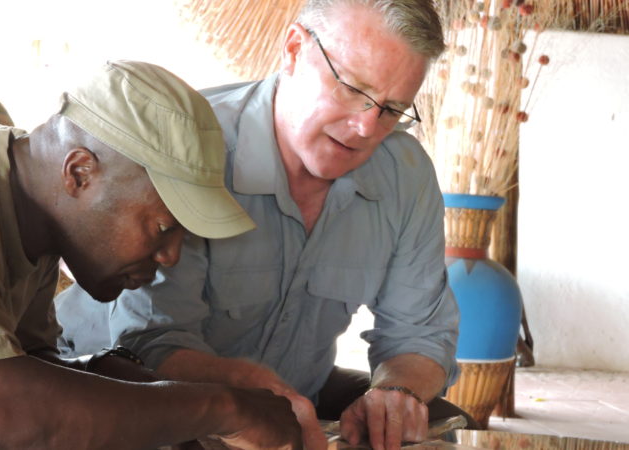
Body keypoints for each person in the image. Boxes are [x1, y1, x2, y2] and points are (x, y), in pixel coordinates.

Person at [58, 1, 480, 448]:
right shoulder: (195, 147)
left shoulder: (404, 174)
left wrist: (396, 392)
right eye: (354, 89)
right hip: (121, 389)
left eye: (392, 110)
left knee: (433, 422)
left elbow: (421, 334)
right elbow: (153, 342)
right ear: (295, 50)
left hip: (289, 394)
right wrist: (256, 396)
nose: (365, 128)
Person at [0, 60, 303, 450]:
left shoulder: (28, 201)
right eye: (164, 228)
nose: (170, 256)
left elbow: (28, 364)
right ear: (80, 173)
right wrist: (223, 408)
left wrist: (151, 390)